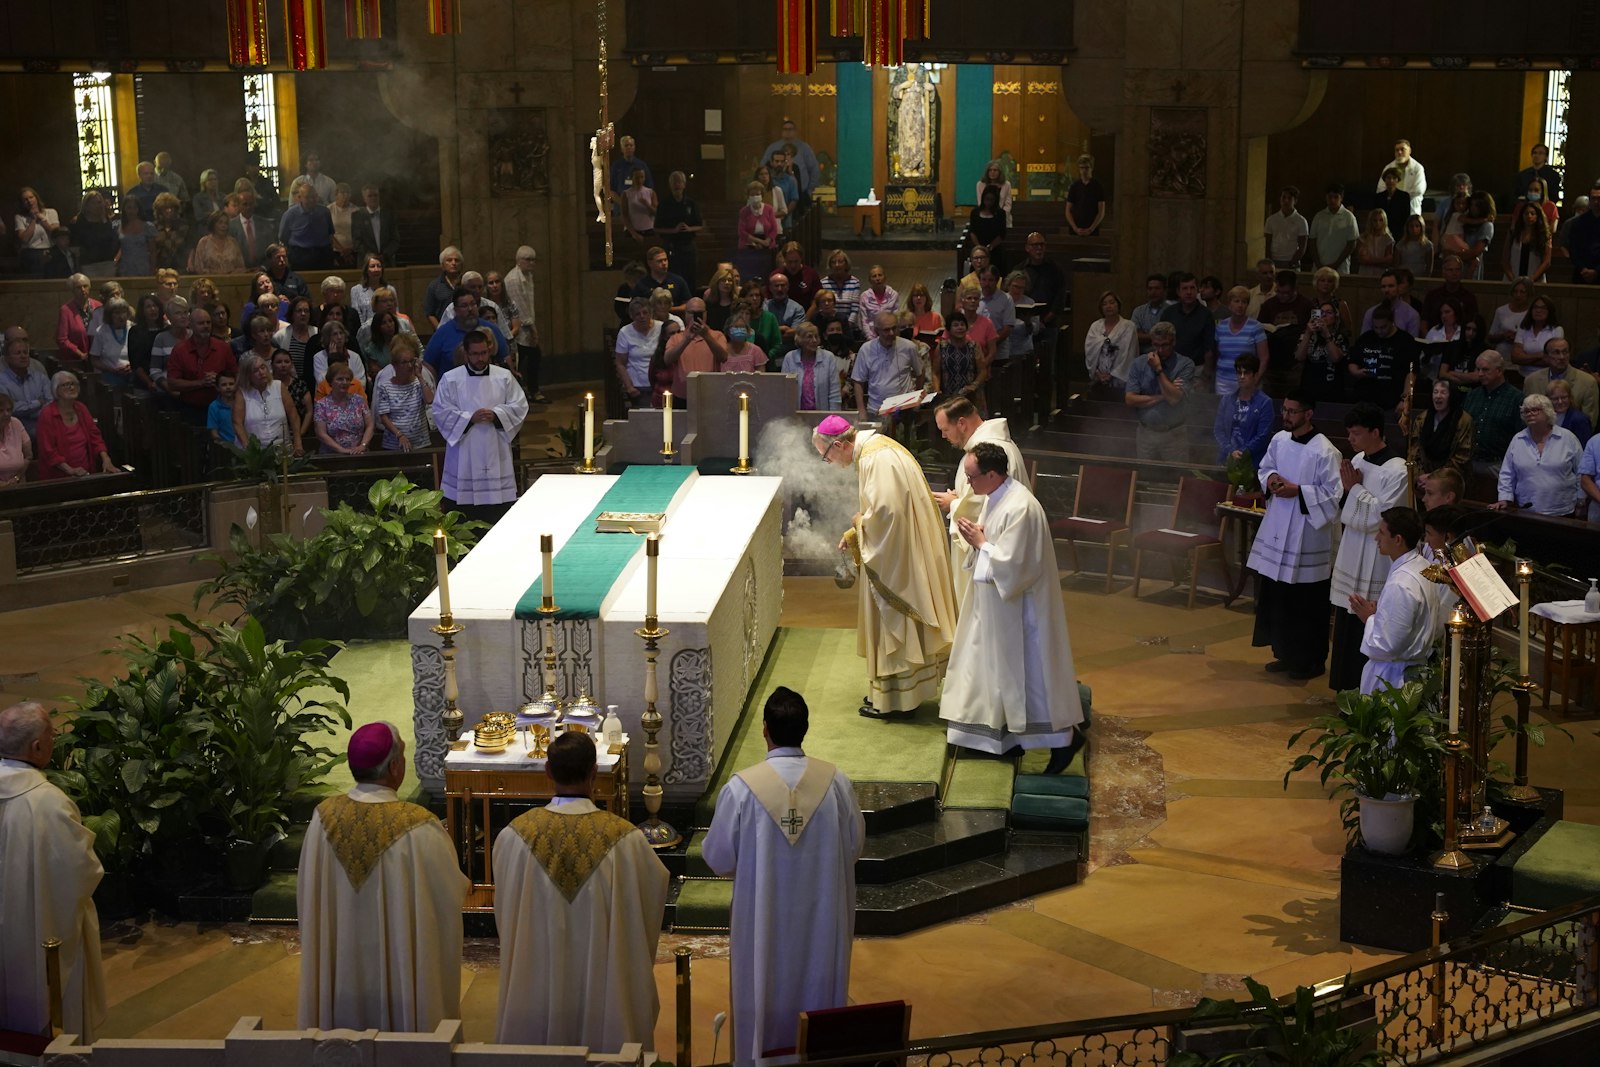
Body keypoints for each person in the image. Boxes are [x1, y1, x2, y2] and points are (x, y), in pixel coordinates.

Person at [701, 686, 864, 1061]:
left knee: (762, 989)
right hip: (822, 923)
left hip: (763, 923)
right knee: (819, 995)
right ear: (805, 728)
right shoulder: (836, 783)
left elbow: (719, 858)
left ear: (764, 730)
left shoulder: (742, 789)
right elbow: (854, 846)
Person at [493, 732, 668, 1048]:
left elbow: (507, 914)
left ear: (548, 771)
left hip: (535, 988)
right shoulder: (627, 841)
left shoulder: (513, 837)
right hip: (606, 995)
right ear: (594, 772)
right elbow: (650, 902)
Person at [297, 722, 467, 1032]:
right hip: (404, 989)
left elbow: (309, 898)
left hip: (342, 976)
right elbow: (449, 894)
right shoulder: (419, 825)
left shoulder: (322, 819)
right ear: (395, 768)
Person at [940, 440, 1085, 765]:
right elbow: (996, 546)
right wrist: (978, 541)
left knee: (1028, 674)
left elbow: (1017, 564)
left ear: (992, 474)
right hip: (996, 605)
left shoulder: (1022, 507)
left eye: (971, 477)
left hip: (1022, 611)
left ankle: (1063, 740)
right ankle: (1004, 739)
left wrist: (982, 543)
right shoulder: (996, 496)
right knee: (994, 669)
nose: (969, 484)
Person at [815, 416, 959, 718]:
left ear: (839, 444)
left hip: (897, 558)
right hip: (905, 548)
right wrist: (857, 532)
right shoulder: (880, 448)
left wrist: (858, 523)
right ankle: (896, 695)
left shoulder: (874, 459)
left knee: (893, 620)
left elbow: (885, 514)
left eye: (825, 456)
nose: (827, 462)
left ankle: (897, 701)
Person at [0, 701, 105, 1043]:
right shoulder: (47, 803)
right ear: (37, 746)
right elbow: (82, 872)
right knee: (48, 1007)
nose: (55, 739)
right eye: (52, 734)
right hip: (38, 935)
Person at [1249, 390, 1343, 680]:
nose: (1286, 416)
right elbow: (1266, 468)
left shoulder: (1325, 451)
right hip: (1279, 528)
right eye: (1285, 410)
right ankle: (1284, 654)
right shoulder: (1279, 440)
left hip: (1307, 536)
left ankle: (1310, 660)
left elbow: (1335, 495)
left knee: (1306, 602)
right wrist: (1273, 479)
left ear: (1308, 414)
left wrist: (1299, 491)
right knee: (1279, 597)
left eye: (1292, 411)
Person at [1327, 403, 1411, 692]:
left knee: (1367, 623)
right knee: (1347, 626)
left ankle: (1364, 695)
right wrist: (1349, 490)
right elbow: (1344, 499)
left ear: (1376, 432)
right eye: (1349, 433)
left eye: (1357, 433)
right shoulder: (1360, 459)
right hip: (1352, 550)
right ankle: (1343, 689)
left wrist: (1355, 490)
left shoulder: (1397, 470)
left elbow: (1383, 517)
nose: (1351, 439)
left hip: (1377, 555)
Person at [931, 396, 1028, 608]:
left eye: (945, 429)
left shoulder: (987, 450)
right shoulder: (990, 445)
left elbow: (983, 505)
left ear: (962, 423)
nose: (943, 435)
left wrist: (953, 504)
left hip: (994, 549)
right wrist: (959, 497)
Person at [432, 328, 528, 524]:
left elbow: (520, 406)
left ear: (489, 350)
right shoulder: (451, 379)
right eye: (475, 354)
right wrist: (469, 419)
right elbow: (440, 412)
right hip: (464, 454)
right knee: (464, 520)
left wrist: (497, 415)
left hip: (495, 451)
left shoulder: (504, 377)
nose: (480, 358)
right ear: (466, 353)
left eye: (483, 352)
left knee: (497, 520)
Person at [1349, 508, 1437, 694]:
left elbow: (1388, 646)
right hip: (1411, 669)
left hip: (1395, 679)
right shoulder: (1421, 564)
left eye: (1381, 532)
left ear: (1398, 540)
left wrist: (1369, 618)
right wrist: (1380, 611)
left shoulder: (1401, 584)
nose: (1376, 538)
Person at [1494, 393, 1583, 516]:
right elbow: (1507, 473)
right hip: (1527, 509)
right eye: (1526, 411)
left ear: (1547, 411)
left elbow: (1581, 472)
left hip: (1563, 510)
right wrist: (1504, 498)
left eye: (1535, 410)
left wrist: (1581, 501)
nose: (1530, 413)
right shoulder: (1518, 439)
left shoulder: (1567, 438)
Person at [1124, 321, 1196, 461]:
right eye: (1156, 345)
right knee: (1144, 476)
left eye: (1165, 345)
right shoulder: (1139, 364)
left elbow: (1174, 400)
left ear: (1173, 342)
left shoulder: (1185, 364)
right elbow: (1130, 400)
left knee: (1176, 477)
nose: (1160, 350)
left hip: (1174, 434)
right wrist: (1163, 395)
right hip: (1146, 433)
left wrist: (1158, 369)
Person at [1463, 352, 1525, 488]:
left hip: (1499, 464)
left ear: (1499, 370)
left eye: (1485, 370)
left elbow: (1521, 436)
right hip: (1470, 461)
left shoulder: (1516, 398)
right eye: (1478, 369)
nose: (1479, 374)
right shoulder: (1473, 395)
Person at [36, 372, 114, 479]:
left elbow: (95, 437)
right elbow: (48, 451)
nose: (71, 387)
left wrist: (106, 460)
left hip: (86, 473)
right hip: (58, 477)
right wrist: (70, 470)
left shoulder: (81, 408)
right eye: (66, 385)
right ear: (56, 390)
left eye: (74, 384)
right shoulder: (47, 414)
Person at [852, 311, 923, 421]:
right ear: (876, 331)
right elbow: (858, 381)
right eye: (886, 330)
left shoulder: (909, 347)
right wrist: (861, 410)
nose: (891, 333)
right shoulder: (866, 349)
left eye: (894, 328)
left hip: (904, 409)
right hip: (876, 410)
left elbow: (920, 372)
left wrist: (917, 399)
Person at [1346, 303, 1419, 409]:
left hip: (1391, 398)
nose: (1379, 331)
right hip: (1364, 397)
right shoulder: (1366, 338)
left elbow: (1412, 372)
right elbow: (1353, 361)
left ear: (1392, 322)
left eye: (1383, 327)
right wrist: (1356, 372)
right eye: (1376, 327)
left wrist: (1405, 399)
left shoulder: (1405, 341)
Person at [1214, 353, 1275, 464]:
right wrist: (1230, 450)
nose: (1241, 377)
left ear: (1255, 375)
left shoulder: (1265, 403)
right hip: (1226, 458)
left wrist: (1242, 452)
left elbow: (1263, 435)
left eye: (1246, 373)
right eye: (1239, 373)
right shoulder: (1226, 400)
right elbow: (1218, 430)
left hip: (1252, 462)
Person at [1523, 338, 1598, 425]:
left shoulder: (1588, 382)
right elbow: (1527, 415)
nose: (1562, 357)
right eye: (1556, 352)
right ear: (1546, 357)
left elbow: (1589, 421)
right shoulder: (1531, 381)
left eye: (1565, 352)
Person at [1408, 378, 1473, 478]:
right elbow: (1414, 451)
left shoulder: (1464, 420)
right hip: (1422, 477)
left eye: (1443, 392)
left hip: (1450, 478)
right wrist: (1420, 475)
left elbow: (1462, 457)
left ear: (1451, 396)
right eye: (1435, 392)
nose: (1438, 396)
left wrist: (1434, 478)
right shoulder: (1422, 419)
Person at [1083, 289, 1137, 399]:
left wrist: (1112, 375)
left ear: (1118, 304)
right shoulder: (1095, 326)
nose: (1108, 306)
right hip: (1099, 377)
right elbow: (1090, 352)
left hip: (1120, 380)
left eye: (1112, 302)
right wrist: (1098, 373)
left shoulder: (1128, 326)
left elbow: (1128, 354)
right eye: (1104, 304)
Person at [780, 322, 842, 411]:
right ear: (800, 339)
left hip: (823, 415)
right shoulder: (790, 358)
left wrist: (833, 416)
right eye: (809, 336)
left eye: (816, 336)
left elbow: (834, 392)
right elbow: (784, 390)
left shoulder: (828, 358)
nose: (814, 340)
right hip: (796, 416)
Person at [314, 362, 374, 455]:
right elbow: (321, 434)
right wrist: (341, 450)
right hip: (332, 456)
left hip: (359, 453)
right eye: (340, 379)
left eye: (348, 379)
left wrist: (363, 445)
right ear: (330, 381)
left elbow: (370, 425)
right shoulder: (322, 405)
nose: (345, 382)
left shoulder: (359, 400)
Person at [1, 333, 51, 441]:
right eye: (18, 353)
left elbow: (51, 403)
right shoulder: (2, 381)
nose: (23, 356)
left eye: (25, 352)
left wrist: (28, 412)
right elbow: (10, 409)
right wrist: (37, 403)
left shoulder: (40, 378)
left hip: (44, 424)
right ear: (7, 358)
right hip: (12, 429)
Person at [1310, 184, 1360, 273]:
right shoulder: (1319, 216)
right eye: (1330, 197)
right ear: (1326, 198)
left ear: (1341, 198)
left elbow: (1352, 243)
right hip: (1319, 266)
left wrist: (1336, 264)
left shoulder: (1349, 217)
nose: (1332, 200)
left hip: (1341, 267)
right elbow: (1312, 241)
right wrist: (1318, 263)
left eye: (1336, 197)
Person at [351, 184, 401, 267]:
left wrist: (384, 255)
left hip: (387, 261)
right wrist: (371, 257)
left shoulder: (388, 215)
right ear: (364, 198)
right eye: (370, 196)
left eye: (375, 195)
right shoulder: (357, 216)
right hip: (366, 263)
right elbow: (357, 242)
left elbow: (395, 239)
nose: (373, 198)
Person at [1376, 139, 1427, 218]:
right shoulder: (1388, 168)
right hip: (1390, 210)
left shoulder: (1417, 168)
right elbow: (1380, 189)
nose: (1399, 152)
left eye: (1402, 149)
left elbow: (1418, 190)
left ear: (1409, 151)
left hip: (1411, 209)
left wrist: (1400, 199)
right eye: (1397, 150)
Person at [1264, 186, 1309, 268]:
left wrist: (1292, 262)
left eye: (1289, 198)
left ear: (1295, 201)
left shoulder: (1301, 221)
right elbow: (1267, 242)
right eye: (1283, 197)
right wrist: (1270, 260)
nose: (1286, 201)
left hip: (1291, 261)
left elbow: (1302, 246)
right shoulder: (1271, 219)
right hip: (1274, 260)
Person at [1065, 154, 1106, 237]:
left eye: (1086, 168)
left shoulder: (1098, 187)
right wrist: (1075, 228)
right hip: (1075, 229)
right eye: (1081, 168)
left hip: (1092, 229)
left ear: (1091, 168)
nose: (1084, 171)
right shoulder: (1074, 187)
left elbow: (1101, 211)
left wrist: (1091, 228)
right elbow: (1068, 210)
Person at [1548, 379, 1593, 446]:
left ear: (1570, 397)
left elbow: (1584, 447)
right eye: (1555, 398)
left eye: (1564, 397)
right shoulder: (1545, 417)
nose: (1560, 402)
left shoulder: (1579, 420)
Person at [0, 393, 32, 483]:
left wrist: (16, 478)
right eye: (0, 411)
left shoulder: (16, 424)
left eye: (9, 410)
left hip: (17, 484)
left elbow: (28, 456)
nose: (6, 414)